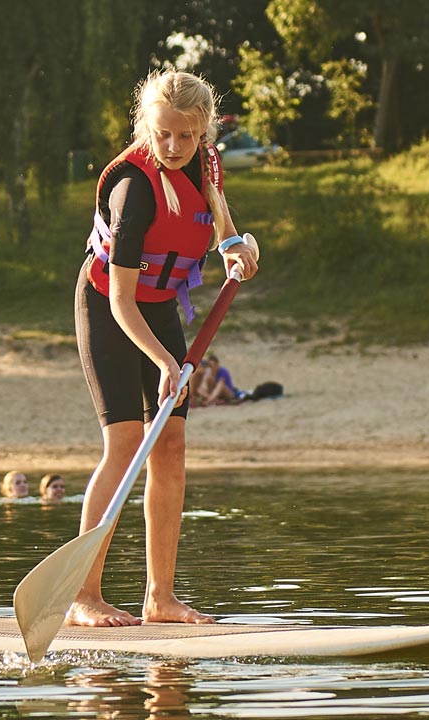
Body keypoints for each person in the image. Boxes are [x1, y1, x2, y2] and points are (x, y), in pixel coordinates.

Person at [70, 70, 259, 628]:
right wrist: (164, 362)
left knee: (171, 447)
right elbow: (123, 300)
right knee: (126, 444)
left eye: (186, 136)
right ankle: (83, 595)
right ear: (146, 127)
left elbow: (219, 216)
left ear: (203, 132)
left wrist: (233, 249)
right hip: (109, 306)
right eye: (163, 135)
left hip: (161, 305)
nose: (174, 147)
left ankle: (160, 597)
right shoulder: (133, 190)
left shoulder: (207, 162)